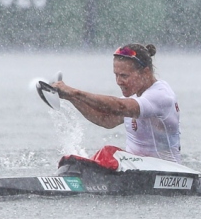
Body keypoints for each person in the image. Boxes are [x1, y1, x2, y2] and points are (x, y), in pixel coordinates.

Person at [52, 43, 182, 163]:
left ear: (146, 73)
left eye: (124, 76)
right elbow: (105, 119)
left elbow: (119, 106)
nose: (118, 81)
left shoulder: (161, 96)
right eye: (116, 75)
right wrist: (70, 97)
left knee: (108, 153)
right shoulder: (135, 97)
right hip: (137, 172)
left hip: (165, 173)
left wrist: (74, 92)